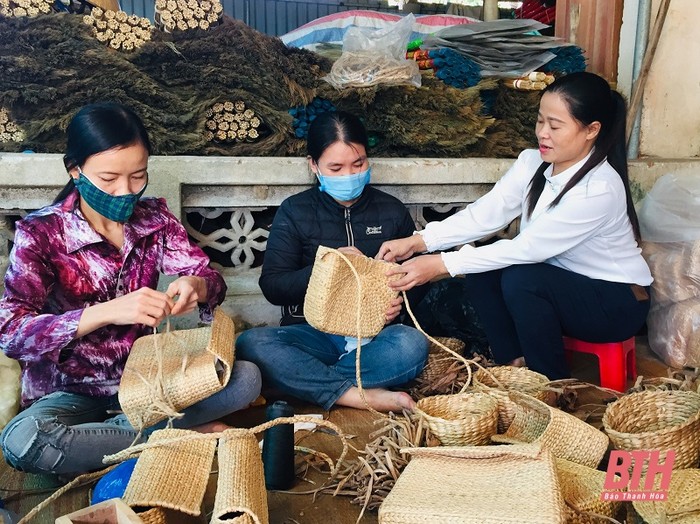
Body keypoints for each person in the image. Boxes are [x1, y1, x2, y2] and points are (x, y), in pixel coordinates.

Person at [0, 102, 261, 475]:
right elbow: (11, 333)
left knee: (246, 378)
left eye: (138, 176)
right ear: (75, 170)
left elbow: (209, 278)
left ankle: (116, 443)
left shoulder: (155, 219)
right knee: (24, 441)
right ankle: (173, 436)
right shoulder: (42, 233)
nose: (125, 191)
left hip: (147, 381)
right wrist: (106, 311)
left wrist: (197, 286)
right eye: (109, 178)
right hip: (70, 393)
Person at [377, 72, 652, 380]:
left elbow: (528, 249)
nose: (542, 133)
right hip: (566, 285)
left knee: (523, 278)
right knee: (486, 269)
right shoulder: (532, 163)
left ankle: (549, 384)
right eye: (540, 121)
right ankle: (514, 366)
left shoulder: (599, 188)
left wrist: (442, 264)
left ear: (591, 130)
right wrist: (419, 241)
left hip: (616, 302)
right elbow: (486, 214)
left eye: (555, 126)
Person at [236, 111, 428, 413]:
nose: (349, 175)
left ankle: (306, 383)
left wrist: (399, 303)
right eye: (335, 168)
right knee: (250, 344)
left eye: (358, 164)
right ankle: (355, 394)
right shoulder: (295, 211)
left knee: (411, 345)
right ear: (314, 165)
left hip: (374, 338)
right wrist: (328, 267)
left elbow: (416, 278)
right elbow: (273, 286)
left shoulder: (391, 210)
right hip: (313, 335)